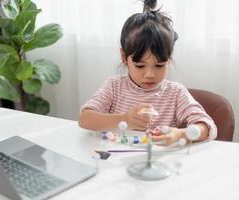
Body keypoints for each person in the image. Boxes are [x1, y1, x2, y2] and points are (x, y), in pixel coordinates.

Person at [78, 0, 217, 146]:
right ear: (124, 57)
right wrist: (125, 119)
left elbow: (207, 126)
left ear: (169, 59)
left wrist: (181, 134)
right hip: (115, 160)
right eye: (140, 65)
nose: (150, 74)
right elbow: (85, 119)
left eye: (159, 65)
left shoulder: (175, 93)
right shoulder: (114, 87)